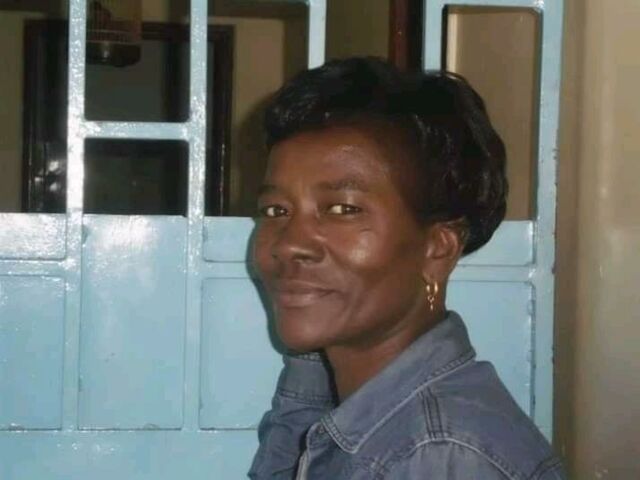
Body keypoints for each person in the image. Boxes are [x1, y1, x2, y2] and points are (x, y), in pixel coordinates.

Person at [248, 57, 565, 479]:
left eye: (343, 209)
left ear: (437, 249)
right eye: (275, 209)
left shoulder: (437, 456)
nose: (289, 244)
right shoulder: (344, 402)